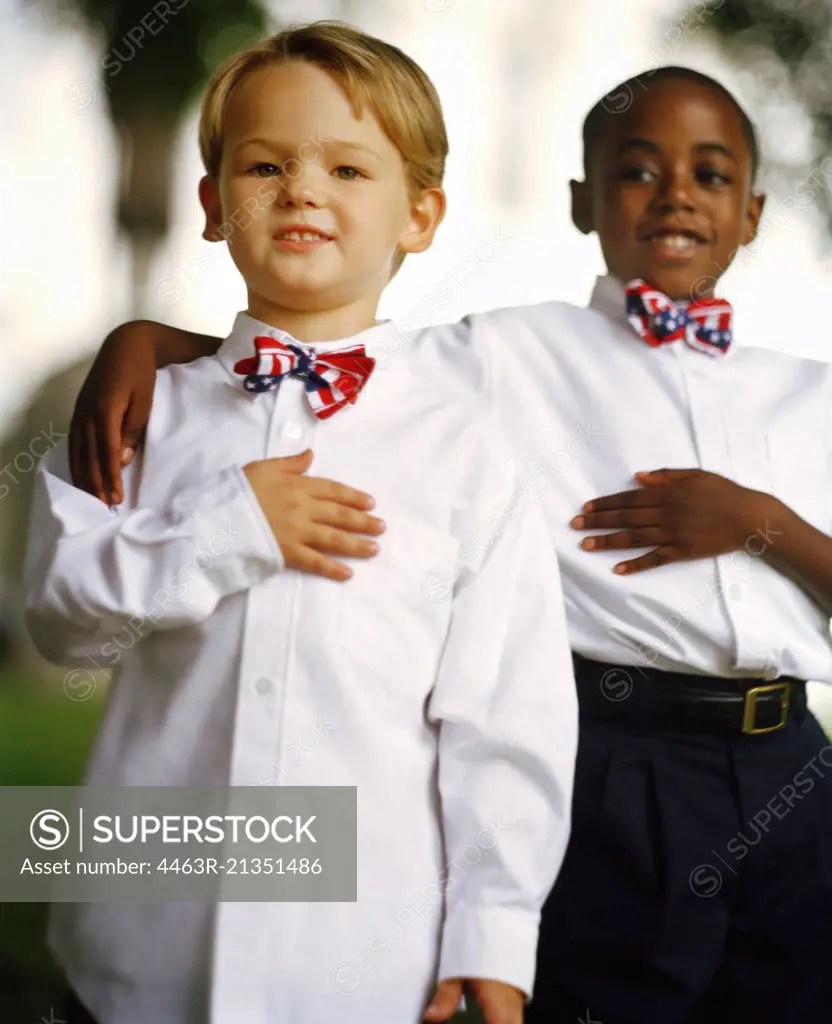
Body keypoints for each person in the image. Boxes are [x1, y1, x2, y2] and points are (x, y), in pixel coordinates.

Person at [76, 63, 832, 1023]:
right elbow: (331, 356)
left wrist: (757, 522)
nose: (676, 191)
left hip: (794, 768)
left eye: (712, 175)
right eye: (639, 170)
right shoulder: (505, 353)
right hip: (614, 754)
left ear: (754, 212)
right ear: (581, 201)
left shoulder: (812, 394)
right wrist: (148, 338)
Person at [24, 22, 579, 1024]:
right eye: (266, 162)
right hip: (137, 959)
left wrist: (495, 940)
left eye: (348, 167)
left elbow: (505, 717)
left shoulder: (467, 448)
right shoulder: (143, 408)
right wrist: (222, 530)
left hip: (361, 966)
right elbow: (63, 619)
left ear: (420, 213)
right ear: (211, 203)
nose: (304, 189)